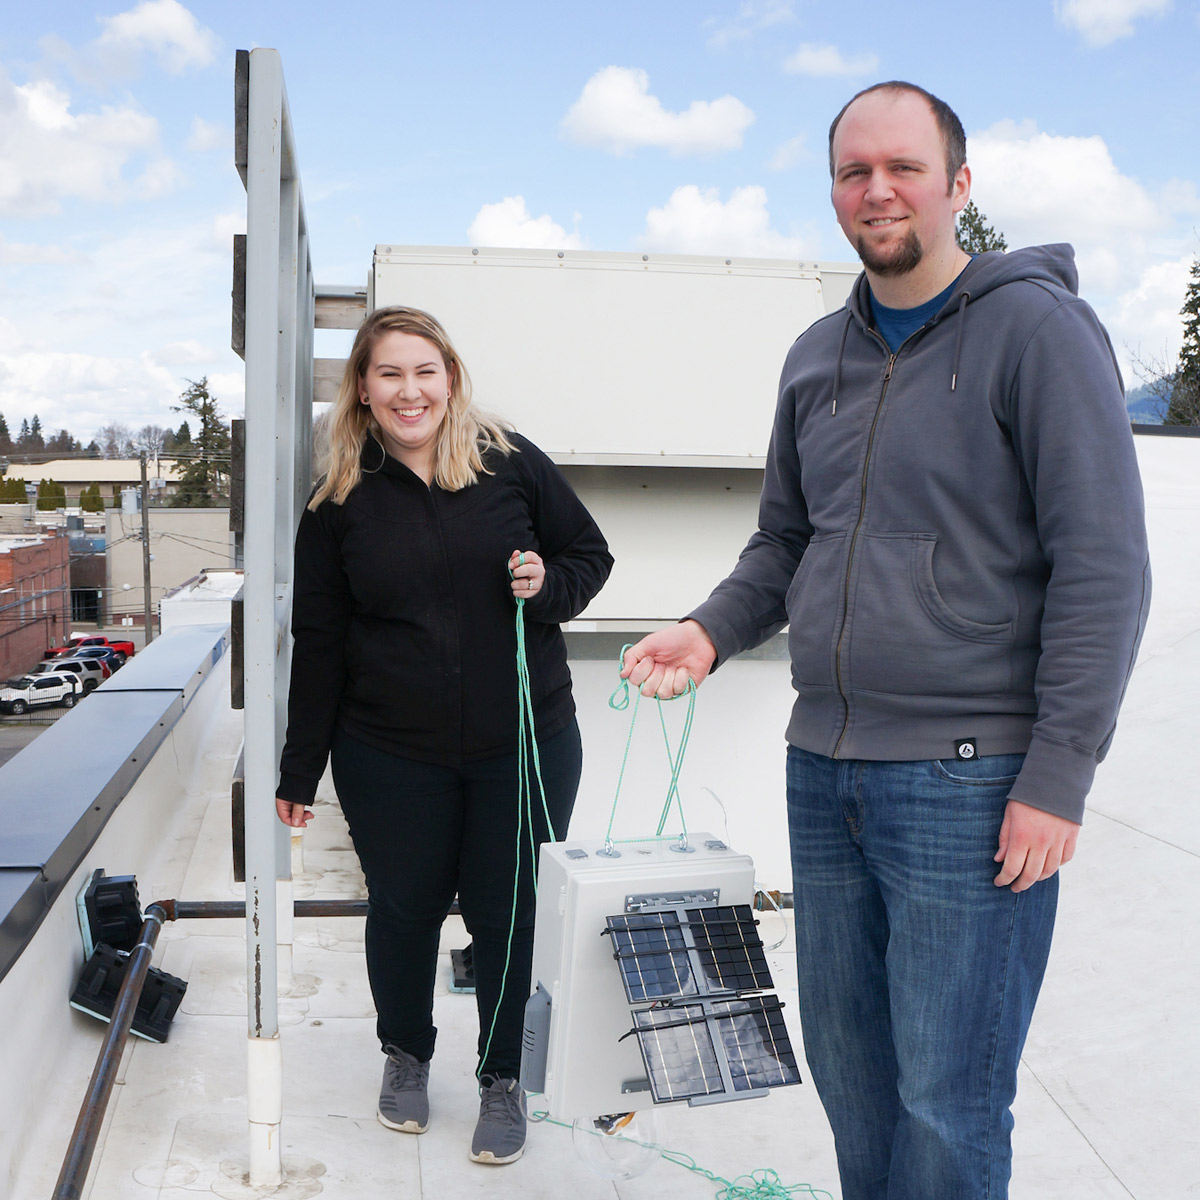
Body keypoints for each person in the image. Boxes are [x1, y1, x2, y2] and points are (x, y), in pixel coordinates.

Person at [623, 82, 1149, 1200]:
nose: (878, 189)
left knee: (947, 1099)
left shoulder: (1038, 333)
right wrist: (711, 631)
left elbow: (1103, 565)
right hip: (826, 772)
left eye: (904, 167)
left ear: (958, 184)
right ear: (832, 192)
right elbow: (786, 540)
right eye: (855, 170)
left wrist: (1057, 775)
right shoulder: (818, 356)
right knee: (854, 1077)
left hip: (970, 781)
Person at [276, 306, 612, 1166]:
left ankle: (502, 1079)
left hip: (526, 743)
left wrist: (544, 587)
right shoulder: (339, 503)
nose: (409, 390)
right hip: (389, 751)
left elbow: (588, 556)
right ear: (363, 387)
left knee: (509, 916)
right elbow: (318, 642)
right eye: (389, 373)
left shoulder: (508, 462)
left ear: (450, 378)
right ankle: (406, 1054)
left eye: (424, 371)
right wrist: (299, 769)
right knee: (404, 908)